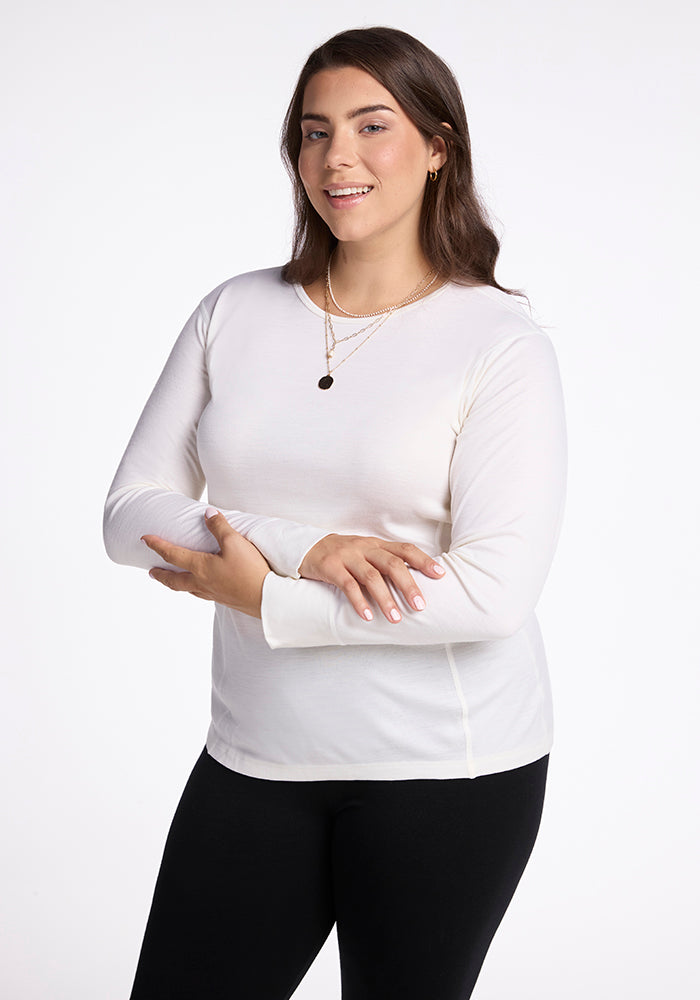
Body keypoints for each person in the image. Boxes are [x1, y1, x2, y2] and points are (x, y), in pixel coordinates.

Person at [103, 25, 567, 1000]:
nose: (337, 157)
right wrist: (300, 549)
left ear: (438, 146)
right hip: (256, 756)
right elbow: (128, 512)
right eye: (313, 133)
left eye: (371, 126)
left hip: (447, 774)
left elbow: (492, 593)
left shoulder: (498, 340)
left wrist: (265, 600)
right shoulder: (234, 311)